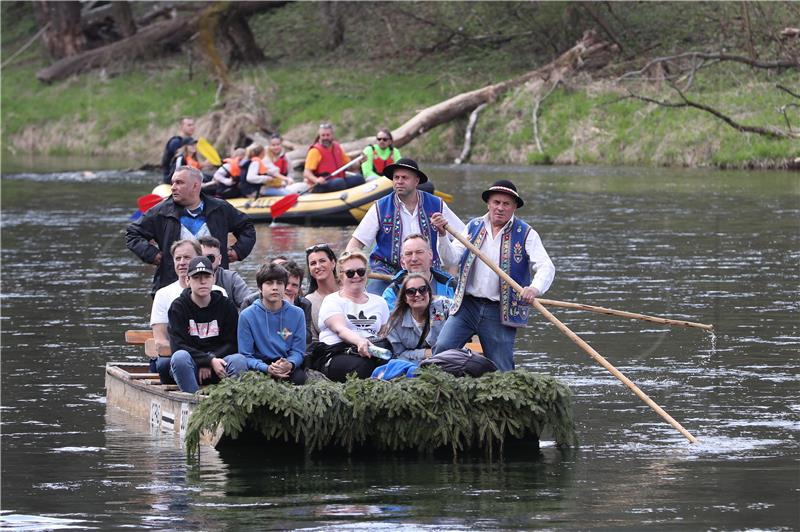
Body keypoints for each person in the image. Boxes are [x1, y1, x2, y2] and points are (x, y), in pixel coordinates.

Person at [430, 179, 556, 371]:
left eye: (506, 204)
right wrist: (441, 235)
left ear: (514, 207)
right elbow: (451, 260)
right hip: (466, 306)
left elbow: (546, 266)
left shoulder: (526, 233)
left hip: (499, 311)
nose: (500, 208)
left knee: (502, 365)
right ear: (488, 204)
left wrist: (534, 288)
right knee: (442, 349)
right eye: (496, 202)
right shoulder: (473, 227)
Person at [126, 166, 256, 296]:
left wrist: (238, 251)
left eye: (179, 182)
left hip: (215, 285)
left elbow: (247, 227)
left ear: (195, 186)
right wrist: (152, 254)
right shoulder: (160, 212)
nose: (173, 187)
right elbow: (133, 234)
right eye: (172, 183)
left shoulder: (220, 208)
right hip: (172, 283)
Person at [347, 157, 464, 295]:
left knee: (448, 307)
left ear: (416, 181)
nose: (399, 181)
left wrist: (452, 269)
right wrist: (350, 268)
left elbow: (463, 236)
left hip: (428, 273)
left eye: (404, 177)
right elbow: (355, 243)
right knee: (374, 306)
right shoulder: (380, 207)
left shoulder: (436, 204)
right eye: (396, 178)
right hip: (388, 273)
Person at [164, 256, 247, 393]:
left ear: (213, 279)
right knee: (180, 358)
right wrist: (207, 360)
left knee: (238, 360)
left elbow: (232, 343)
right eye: (196, 277)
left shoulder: (226, 305)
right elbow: (178, 345)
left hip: (220, 365)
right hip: (191, 368)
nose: (202, 281)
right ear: (187, 281)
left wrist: (212, 360)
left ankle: (233, 405)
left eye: (207, 276)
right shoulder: (178, 307)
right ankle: (194, 405)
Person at [149, 239, 227, 374]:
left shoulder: (218, 292)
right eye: (177, 258)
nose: (182, 262)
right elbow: (160, 340)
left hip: (213, 354)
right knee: (165, 364)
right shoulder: (162, 294)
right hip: (177, 355)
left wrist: (209, 359)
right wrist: (201, 358)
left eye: (187, 257)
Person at [311, 251, 390, 382]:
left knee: (391, 364)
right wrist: (360, 342)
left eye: (361, 271)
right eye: (350, 273)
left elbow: (383, 333)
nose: (356, 276)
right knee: (364, 366)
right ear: (341, 276)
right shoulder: (332, 300)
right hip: (338, 352)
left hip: (372, 352)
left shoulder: (380, 302)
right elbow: (340, 329)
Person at [238, 263, 307, 384]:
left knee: (299, 379)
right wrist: (266, 368)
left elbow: (298, 351)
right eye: (269, 283)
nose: (275, 287)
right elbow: (246, 355)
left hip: (285, 364)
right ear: (260, 287)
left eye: (279, 283)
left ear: (284, 286)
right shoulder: (247, 315)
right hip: (259, 366)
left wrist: (290, 364)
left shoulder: (298, 313)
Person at [384, 274, 450, 362]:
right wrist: (425, 353)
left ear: (429, 293)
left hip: (447, 361)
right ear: (405, 298)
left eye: (422, 289)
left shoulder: (444, 306)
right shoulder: (395, 322)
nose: (417, 294)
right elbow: (397, 355)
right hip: (413, 366)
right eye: (411, 291)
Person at [381, 234, 456, 310]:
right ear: (402, 260)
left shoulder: (451, 286)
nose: (414, 258)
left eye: (419, 252)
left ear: (430, 255)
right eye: (409, 254)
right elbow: (391, 321)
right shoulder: (393, 292)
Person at [303, 123, 364, 193]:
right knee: (339, 183)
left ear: (332, 135)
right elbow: (306, 173)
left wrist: (360, 162)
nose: (325, 137)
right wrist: (316, 180)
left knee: (359, 179)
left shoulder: (337, 148)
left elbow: (349, 166)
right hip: (322, 184)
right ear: (319, 136)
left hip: (338, 181)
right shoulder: (315, 151)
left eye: (328, 135)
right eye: (323, 135)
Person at [198, 236, 255, 310]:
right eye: (200, 258)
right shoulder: (186, 279)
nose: (205, 262)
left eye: (210, 258)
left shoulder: (231, 279)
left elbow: (250, 303)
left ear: (219, 259)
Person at [304, 243, 339, 343]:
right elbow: (312, 340)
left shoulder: (351, 288)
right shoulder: (308, 301)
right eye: (313, 263)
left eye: (322, 261)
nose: (318, 266)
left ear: (333, 263)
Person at [161, 117, 195, 183]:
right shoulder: (175, 142)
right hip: (171, 177)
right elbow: (180, 162)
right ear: (181, 126)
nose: (192, 127)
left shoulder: (190, 141)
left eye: (193, 125)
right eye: (189, 125)